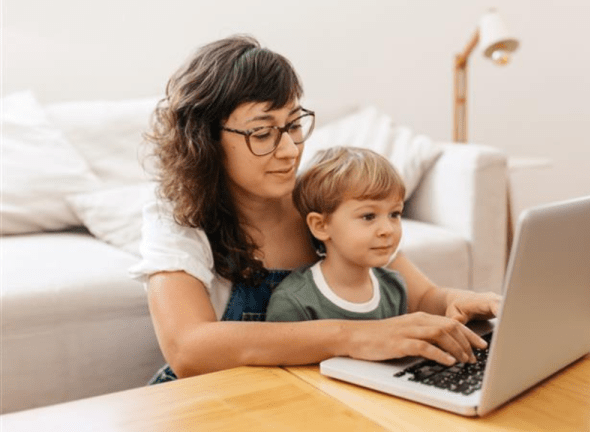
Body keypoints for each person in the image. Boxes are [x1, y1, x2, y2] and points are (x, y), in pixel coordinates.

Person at [130, 34, 500, 384]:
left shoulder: (318, 197)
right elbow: (188, 349)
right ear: (204, 139)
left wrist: (457, 301)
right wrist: (357, 336)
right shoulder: (177, 215)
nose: (290, 150)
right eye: (262, 133)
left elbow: (419, 296)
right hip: (213, 400)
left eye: (293, 125)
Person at [265, 147, 409, 322]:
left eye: (395, 214)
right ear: (321, 226)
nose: (388, 229)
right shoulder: (294, 302)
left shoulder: (394, 288)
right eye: (368, 216)